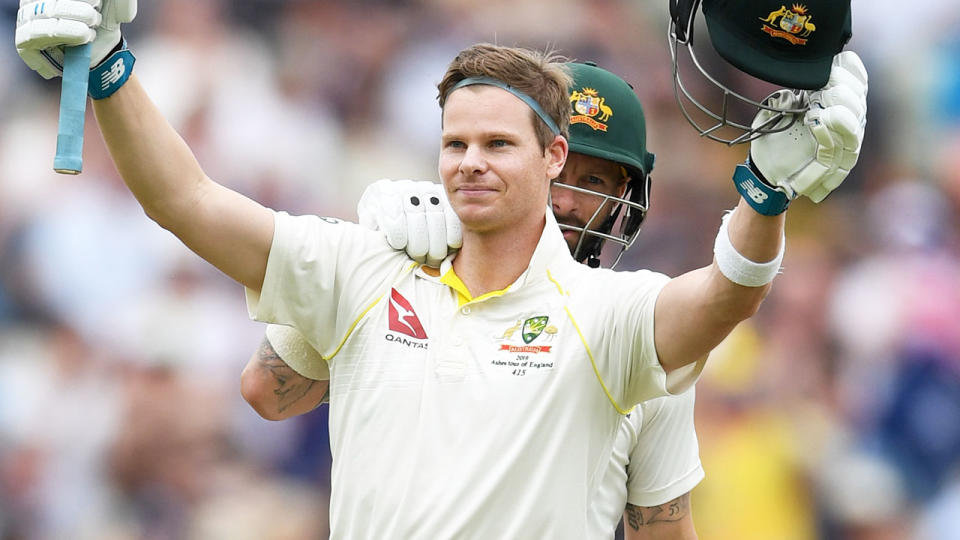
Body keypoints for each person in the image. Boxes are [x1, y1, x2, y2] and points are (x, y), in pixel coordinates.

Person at [15, 1, 866, 537]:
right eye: (458, 145)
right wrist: (111, 66)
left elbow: (725, 302)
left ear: (552, 156)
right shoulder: (371, 258)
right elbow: (189, 205)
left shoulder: (614, 316)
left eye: (500, 145)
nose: (474, 163)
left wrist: (764, 194)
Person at [242, 61, 704, 540]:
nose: (565, 202)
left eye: (594, 183)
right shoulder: (413, 272)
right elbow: (266, 392)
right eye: (562, 175)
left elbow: (662, 529)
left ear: (625, 198)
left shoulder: (641, 331)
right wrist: (369, 257)